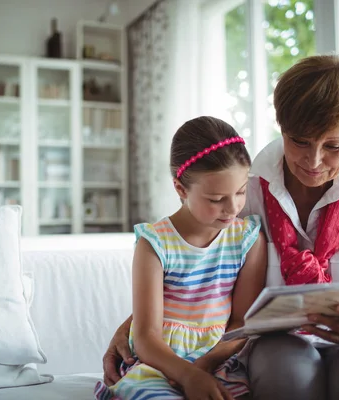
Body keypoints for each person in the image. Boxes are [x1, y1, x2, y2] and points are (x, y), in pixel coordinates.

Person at [102, 54, 339, 400]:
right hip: (276, 343)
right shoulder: (241, 192)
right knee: (287, 377)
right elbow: (194, 270)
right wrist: (133, 328)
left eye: (333, 146)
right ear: (281, 125)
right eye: (299, 141)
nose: (313, 162)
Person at [94, 116, 268, 400]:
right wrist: (187, 375)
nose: (233, 207)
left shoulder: (248, 239)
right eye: (215, 199)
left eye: (240, 192)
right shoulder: (155, 243)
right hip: (160, 364)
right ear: (181, 189)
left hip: (220, 361)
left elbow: (241, 324)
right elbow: (146, 337)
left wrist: (204, 367)